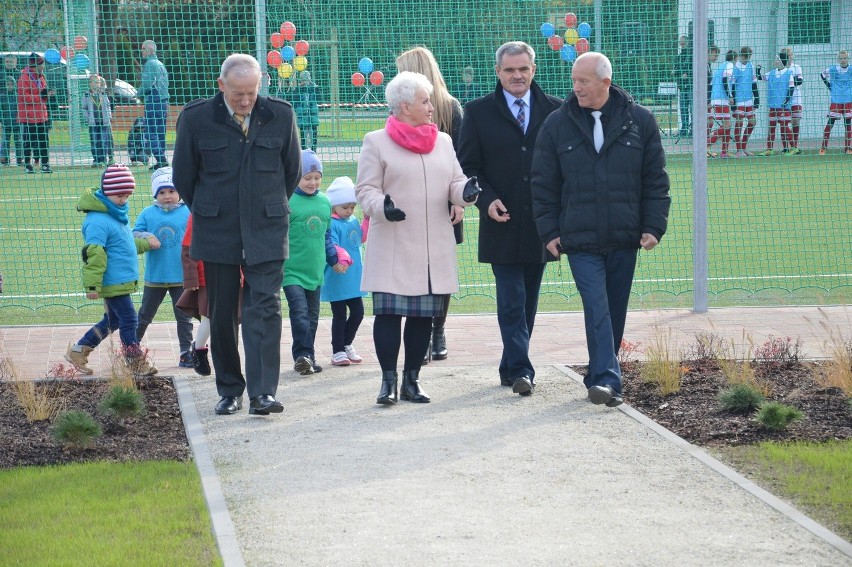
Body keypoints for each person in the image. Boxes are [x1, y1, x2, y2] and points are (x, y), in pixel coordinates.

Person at [530, 52, 671, 408]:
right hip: (579, 239)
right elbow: (542, 183)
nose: (575, 87)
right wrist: (549, 232)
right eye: (574, 80)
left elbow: (655, 180)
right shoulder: (556, 124)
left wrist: (654, 226)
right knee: (597, 306)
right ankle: (609, 381)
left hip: (625, 236)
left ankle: (597, 373)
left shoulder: (640, 121)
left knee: (615, 309)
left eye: (584, 81)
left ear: (605, 82)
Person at [172, 53, 301, 416]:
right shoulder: (196, 118)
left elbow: (290, 173)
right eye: (237, 94)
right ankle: (230, 389)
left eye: (252, 93)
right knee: (223, 310)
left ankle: (263, 393)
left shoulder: (281, 114)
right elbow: (184, 177)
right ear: (221, 86)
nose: (246, 102)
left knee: (265, 307)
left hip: (267, 227)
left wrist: (265, 205)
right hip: (218, 229)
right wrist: (214, 210)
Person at [355, 70, 480, 405]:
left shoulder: (443, 141)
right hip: (393, 245)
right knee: (389, 316)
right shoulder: (375, 141)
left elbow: (455, 182)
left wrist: (466, 192)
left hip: (431, 247)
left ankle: (412, 380)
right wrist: (383, 206)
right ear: (405, 106)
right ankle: (388, 382)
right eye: (425, 101)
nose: (431, 107)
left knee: (423, 317)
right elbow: (366, 190)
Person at [456, 41, 561, 396]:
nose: (517, 76)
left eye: (523, 69)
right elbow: (467, 167)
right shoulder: (478, 111)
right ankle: (521, 369)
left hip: (541, 224)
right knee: (512, 296)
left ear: (534, 70)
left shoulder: (557, 111)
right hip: (500, 221)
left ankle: (509, 365)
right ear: (498, 72)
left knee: (529, 299)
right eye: (509, 70)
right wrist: (485, 200)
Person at [395, 45, 464, 363]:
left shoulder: (449, 109)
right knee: (418, 268)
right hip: (411, 203)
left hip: (444, 203)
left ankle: (437, 332)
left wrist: (459, 200)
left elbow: (460, 162)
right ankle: (425, 335)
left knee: (440, 269)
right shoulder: (401, 110)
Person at [64, 164, 158, 377]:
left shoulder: (115, 214)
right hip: (112, 281)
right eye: (119, 195)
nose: (123, 200)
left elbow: (123, 245)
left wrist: (145, 244)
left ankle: (79, 350)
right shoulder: (98, 220)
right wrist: (92, 285)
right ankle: (134, 361)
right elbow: (93, 254)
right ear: (106, 191)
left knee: (114, 320)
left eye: (127, 195)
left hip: (120, 279)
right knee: (129, 319)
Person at [132, 166, 193, 367]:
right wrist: (147, 236)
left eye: (172, 191)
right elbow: (134, 233)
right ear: (155, 194)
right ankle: (131, 348)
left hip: (181, 276)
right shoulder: (148, 213)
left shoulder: (188, 212)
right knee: (145, 315)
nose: (167, 196)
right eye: (162, 192)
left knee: (184, 317)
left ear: (179, 192)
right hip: (155, 277)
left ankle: (186, 352)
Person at [284, 150, 333, 375]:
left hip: (315, 272)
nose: (313, 182)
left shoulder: (325, 202)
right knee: (300, 313)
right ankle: (302, 355)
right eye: (307, 177)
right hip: (291, 271)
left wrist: (333, 259)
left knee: (313, 317)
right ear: (296, 177)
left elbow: (326, 236)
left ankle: (307, 358)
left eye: (316, 177)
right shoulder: (288, 200)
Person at [320, 176, 367, 367]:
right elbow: (334, 246)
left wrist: (368, 220)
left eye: (352, 207)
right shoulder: (331, 224)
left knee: (358, 312)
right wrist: (343, 259)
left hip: (354, 277)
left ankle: (347, 343)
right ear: (334, 207)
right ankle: (337, 350)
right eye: (345, 207)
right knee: (339, 314)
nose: (349, 211)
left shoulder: (353, 220)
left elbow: (361, 238)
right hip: (338, 277)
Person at [175, 213, 214, 376]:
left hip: (235, 274)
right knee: (211, 316)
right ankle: (199, 349)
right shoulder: (200, 211)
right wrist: (191, 276)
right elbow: (188, 246)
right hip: (207, 275)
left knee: (232, 318)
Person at [17, 53, 53, 173]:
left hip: (41, 115)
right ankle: (27, 165)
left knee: (44, 141)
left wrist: (47, 95)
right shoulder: (24, 78)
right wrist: (41, 96)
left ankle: (45, 164)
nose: (43, 66)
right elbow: (24, 98)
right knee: (29, 142)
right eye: (42, 64)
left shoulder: (41, 77)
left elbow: (43, 95)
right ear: (36, 65)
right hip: (28, 117)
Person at [756, 53, 795, 156]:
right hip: (773, 105)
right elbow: (760, 78)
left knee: (784, 127)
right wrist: (757, 70)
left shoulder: (789, 73)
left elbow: (791, 88)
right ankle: (769, 149)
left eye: (777, 60)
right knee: (771, 128)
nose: (775, 61)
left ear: (782, 61)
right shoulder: (772, 73)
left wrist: (786, 100)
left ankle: (794, 147)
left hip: (783, 106)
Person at [140, 40, 169, 170]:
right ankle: (161, 159)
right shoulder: (160, 64)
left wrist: (138, 93)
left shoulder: (150, 64)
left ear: (150, 50)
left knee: (150, 131)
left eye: (143, 49)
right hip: (163, 102)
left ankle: (160, 158)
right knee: (160, 131)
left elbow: (147, 84)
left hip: (153, 101)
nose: (142, 51)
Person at [818, 50, 851, 155]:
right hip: (836, 101)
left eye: (845, 58)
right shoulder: (832, 69)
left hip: (848, 101)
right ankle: (823, 147)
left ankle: (847, 148)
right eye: (841, 58)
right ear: (838, 59)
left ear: (848, 59)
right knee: (830, 123)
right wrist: (829, 86)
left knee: (848, 124)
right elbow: (822, 74)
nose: (843, 60)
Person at [707, 49, 736, 158]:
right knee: (727, 125)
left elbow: (711, 83)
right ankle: (706, 144)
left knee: (727, 125)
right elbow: (725, 80)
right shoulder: (729, 66)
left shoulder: (720, 66)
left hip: (716, 98)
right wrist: (730, 96)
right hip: (721, 99)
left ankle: (724, 152)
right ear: (735, 59)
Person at [732, 46, 758, 157]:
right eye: (746, 56)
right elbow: (732, 85)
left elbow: (754, 83)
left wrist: (757, 98)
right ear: (741, 55)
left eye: (749, 56)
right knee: (739, 124)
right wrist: (733, 100)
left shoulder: (750, 66)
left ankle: (744, 146)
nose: (747, 58)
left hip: (748, 100)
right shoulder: (736, 67)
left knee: (752, 122)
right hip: (739, 100)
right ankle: (739, 150)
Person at [82, 74, 113, 167]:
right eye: (94, 82)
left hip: (104, 122)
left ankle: (103, 160)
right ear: (90, 83)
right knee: (94, 142)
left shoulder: (103, 94)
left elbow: (108, 106)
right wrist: (88, 118)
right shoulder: (86, 95)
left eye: (98, 82)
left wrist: (109, 116)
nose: (96, 84)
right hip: (93, 123)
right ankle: (96, 160)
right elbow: (84, 108)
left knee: (103, 141)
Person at [290, 71, 320, 152]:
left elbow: (320, 99)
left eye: (307, 79)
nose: (306, 81)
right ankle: (304, 152)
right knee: (303, 137)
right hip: (302, 116)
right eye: (304, 79)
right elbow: (293, 101)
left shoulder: (314, 88)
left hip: (312, 116)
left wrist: (315, 87)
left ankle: (314, 151)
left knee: (313, 136)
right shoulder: (298, 89)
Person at [782, 47, 804, 155]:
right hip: (784, 98)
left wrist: (788, 80)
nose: (790, 57)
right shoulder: (780, 68)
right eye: (787, 55)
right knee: (784, 123)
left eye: (791, 54)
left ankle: (795, 145)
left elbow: (800, 81)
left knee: (796, 122)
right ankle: (786, 147)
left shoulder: (797, 67)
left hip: (795, 98)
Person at [673, 35, 693, 136]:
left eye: (683, 42)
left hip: (690, 86)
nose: (682, 44)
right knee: (683, 108)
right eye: (680, 42)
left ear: (687, 43)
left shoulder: (692, 55)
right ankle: (684, 128)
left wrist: (688, 74)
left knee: (693, 109)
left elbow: (694, 69)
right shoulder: (679, 56)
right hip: (682, 86)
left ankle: (693, 129)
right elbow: (676, 69)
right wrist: (675, 71)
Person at [1, 76, 21, 166]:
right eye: (7, 84)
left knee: (19, 141)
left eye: (11, 84)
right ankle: (5, 159)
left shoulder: (18, 96)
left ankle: (19, 159)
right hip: (6, 123)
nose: (9, 86)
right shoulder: (2, 97)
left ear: (14, 85)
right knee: (5, 141)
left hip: (17, 123)